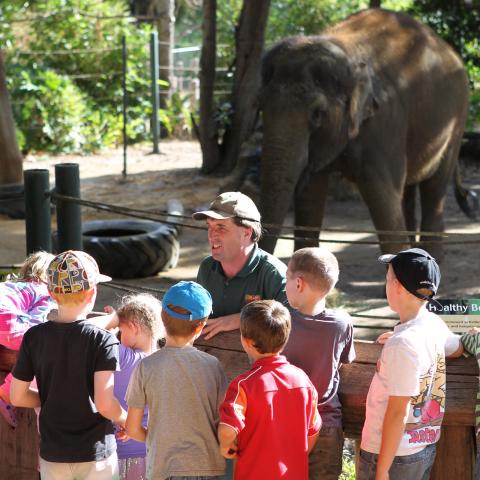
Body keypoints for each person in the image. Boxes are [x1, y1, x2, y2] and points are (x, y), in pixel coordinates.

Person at [10, 250, 127, 480]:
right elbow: (105, 404)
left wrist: (51, 396)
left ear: (52, 292)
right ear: (92, 292)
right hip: (96, 455)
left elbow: (17, 396)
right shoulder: (103, 340)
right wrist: (125, 420)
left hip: (53, 455)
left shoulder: (34, 337)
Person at [358, 248, 463, 480]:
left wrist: (383, 470)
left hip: (390, 455)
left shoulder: (402, 345)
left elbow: (398, 412)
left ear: (396, 286)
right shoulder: (432, 324)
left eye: (387, 279)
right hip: (421, 447)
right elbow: (457, 348)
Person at [125, 281, 227, 480]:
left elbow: (132, 428)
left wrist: (156, 442)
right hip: (208, 466)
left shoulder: (146, 366)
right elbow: (222, 420)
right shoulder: (213, 366)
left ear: (162, 317)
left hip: (164, 468)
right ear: (200, 326)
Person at [218, 299, 322, 480]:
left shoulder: (243, 385)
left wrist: (225, 446)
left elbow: (228, 429)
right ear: (286, 337)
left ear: (246, 341)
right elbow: (313, 430)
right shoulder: (303, 381)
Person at [282, 247, 355, 480]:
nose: (284, 286)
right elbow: (344, 360)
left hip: (285, 422)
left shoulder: (280, 321)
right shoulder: (341, 323)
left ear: (299, 283)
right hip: (326, 422)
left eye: (286, 280)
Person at [192, 191, 287, 339]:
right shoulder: (207, 267)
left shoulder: (274, 274)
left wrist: (240, 319)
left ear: (247, 233)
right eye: (209, 226)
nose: (211, 235)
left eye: (220, 227)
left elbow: (295, 322)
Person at [107, 293, 163, 480]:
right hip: (153, 453)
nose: (119, 336)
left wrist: (111, 320)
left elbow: (86, 333)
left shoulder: (125, 357)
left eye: (121, 331)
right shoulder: (162, 359)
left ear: (133, 327)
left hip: (121, 454)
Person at [0, 251, 55, 428]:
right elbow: (39, 322)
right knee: (41, 344)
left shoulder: (17, 286)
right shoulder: (44, 291)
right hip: (6, 322)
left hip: (5, 318)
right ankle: (6, 394)